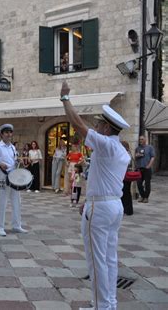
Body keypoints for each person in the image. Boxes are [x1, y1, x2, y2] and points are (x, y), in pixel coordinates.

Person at [60, 81, 130, 310]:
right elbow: (104, 178)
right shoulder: (120, 150)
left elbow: (78, 124)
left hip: (101, 209)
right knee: (109, 258)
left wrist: (65, 98)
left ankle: (101, 307)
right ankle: (109, 304)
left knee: (96, 260)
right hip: (112, 205)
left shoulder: (106, 144)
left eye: (99, 125)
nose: (96, 127)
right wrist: (89, 201)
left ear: (107, 129)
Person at [0, 124, 28, 236]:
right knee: (2, 202)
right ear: (2, 134)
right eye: (6, 132)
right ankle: (0, 227)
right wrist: (0, 163)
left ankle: (17, 225)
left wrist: (17, 161)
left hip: (13, 177)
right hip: (2, 177)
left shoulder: (12, 147)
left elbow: (13, 160)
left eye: (10, 132)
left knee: (17, 202)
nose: (9, 134)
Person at [135, 135, 155, 203]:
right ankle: (142, 196)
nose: (140, 140)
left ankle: (146, 197)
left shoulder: (150, 147)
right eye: (140, 139)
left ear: (145, 140)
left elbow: (152, 157)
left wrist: (149, 165)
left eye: (142, 139)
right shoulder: (137, 148)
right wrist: (137, 155)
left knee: (147, 184)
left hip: (147, 168)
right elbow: (135, 157)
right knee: (139, 183)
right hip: (139, 168)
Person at [121, 141, 133, 215]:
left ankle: (128, 210)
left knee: (126, 192)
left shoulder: (126, 154)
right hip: (125, 176)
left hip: (125, 176)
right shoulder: (127, 154)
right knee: (125, 192)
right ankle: (126, 209)